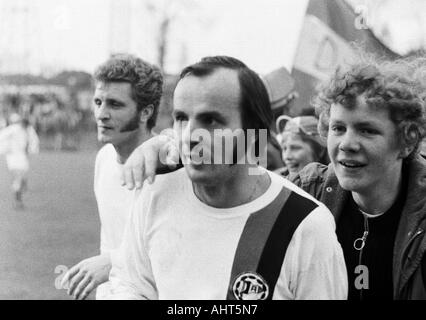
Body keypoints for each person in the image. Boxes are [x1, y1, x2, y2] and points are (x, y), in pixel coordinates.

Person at [108, 56, 347, 300]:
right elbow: (130, 283)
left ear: (255, 131)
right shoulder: (155, 192)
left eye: (210, 121)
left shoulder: (305, 224)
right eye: (181, 118)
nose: (189, 135)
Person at [291, 57, 426, 299]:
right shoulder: (305, 194)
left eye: (367, 130)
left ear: (407, 141)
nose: (347, 144)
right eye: (338, 128)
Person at [60, 54, 163, 300]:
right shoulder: (104, 159)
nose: (101, 114)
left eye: (115, 104)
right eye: (98, 102)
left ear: (145, 112)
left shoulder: (169, 166)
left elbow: (174, 252)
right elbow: (111, 239)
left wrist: (113, 262)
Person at [0, 113, 39, 209]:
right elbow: (2, 137)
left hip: (21, 156)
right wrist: (5, 149)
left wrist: (32, 150)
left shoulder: (27, 129)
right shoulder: (14, 129)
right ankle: (18, 201)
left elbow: (34, 140)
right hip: (14, 157)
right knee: (18, 177)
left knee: (20, 176)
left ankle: (19, 197)